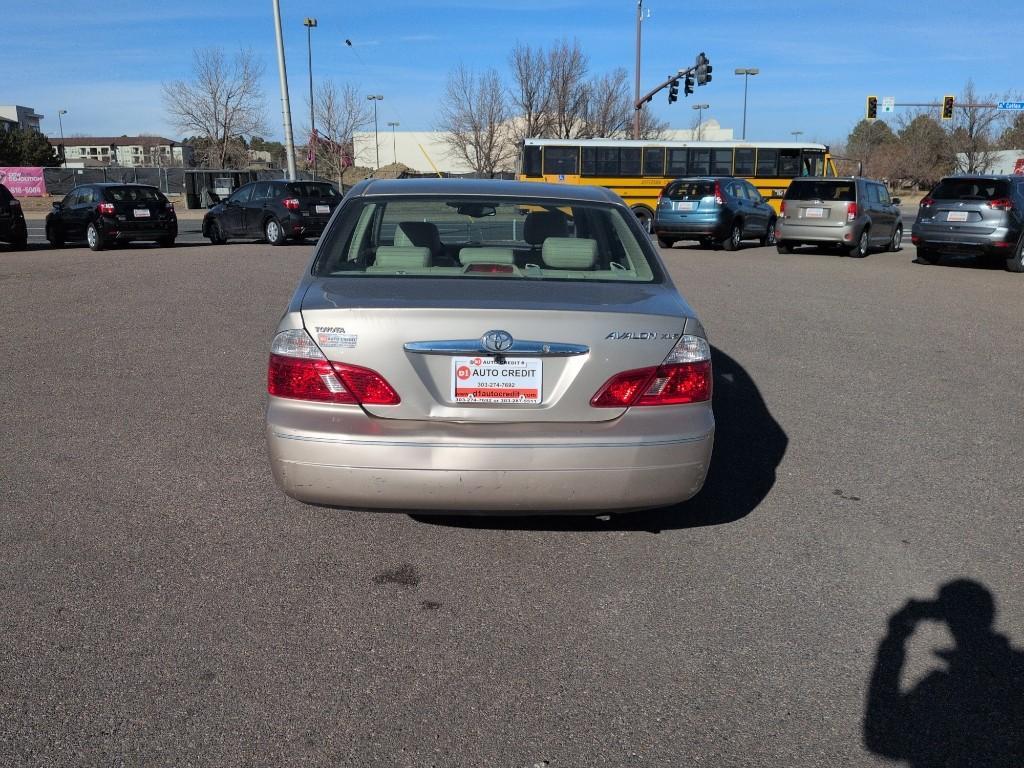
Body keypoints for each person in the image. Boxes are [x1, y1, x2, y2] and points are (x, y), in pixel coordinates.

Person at [863, 580, 1023, 766]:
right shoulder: (1017, 674)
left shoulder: (941, 691)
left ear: (945, 619)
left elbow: (881, 737)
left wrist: (894, 640)